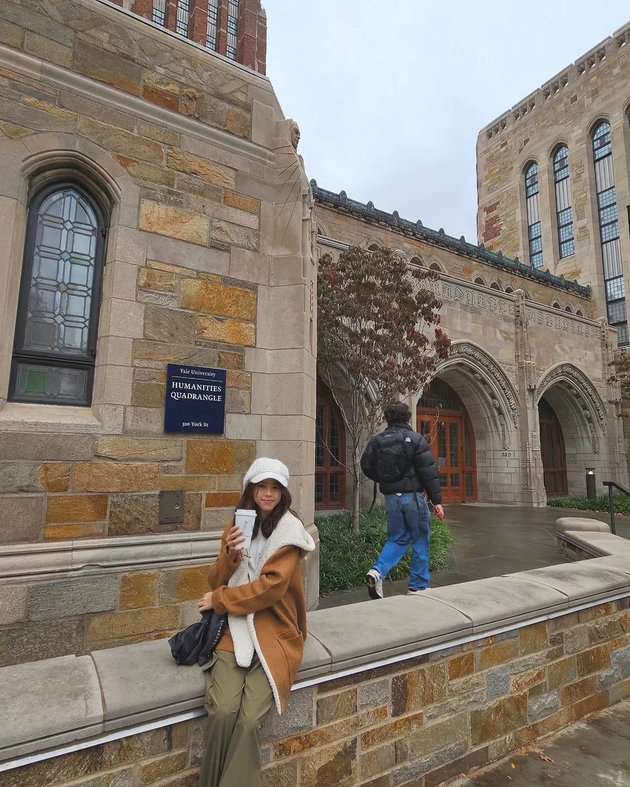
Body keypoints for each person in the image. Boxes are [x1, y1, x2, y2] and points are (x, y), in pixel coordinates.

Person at [196, 457, 315, 787]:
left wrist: (219, 600)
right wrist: (230, 554)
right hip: (234, 629)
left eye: (275, 487)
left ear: (283, 494)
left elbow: (271, 589)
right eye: (262, 486)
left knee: (249, 720)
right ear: (251, 489)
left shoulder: (290, 533)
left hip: (275, 629)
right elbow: (215, 579)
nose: (268, 493)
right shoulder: (238, 524)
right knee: (222, 712)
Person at [360, 401, 444, 599]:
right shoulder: (415, 439)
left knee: (398, 538)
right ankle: (418, 585)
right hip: (412, 497)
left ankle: (378, 571)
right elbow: (429, 472)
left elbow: (366, 465)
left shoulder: (377, 441)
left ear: (387, 418)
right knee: (420, 538)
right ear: (407, 417)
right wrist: (436, 500)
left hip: (392, 499)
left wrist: (385, 481)